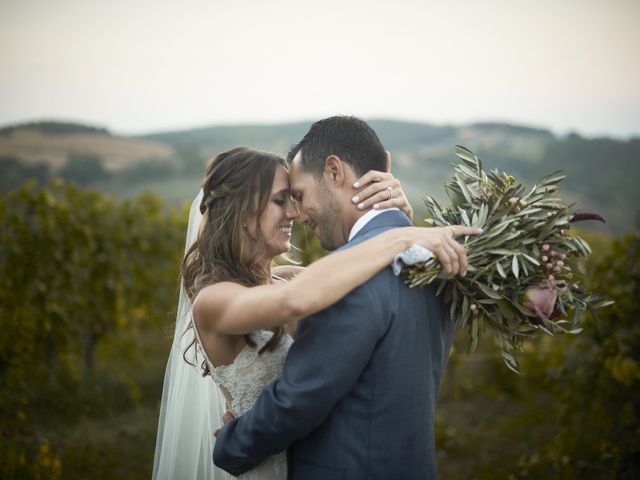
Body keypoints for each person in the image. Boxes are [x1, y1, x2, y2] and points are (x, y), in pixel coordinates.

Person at [213, 116, 480, 479]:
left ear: (334, 172)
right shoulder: (432, 255)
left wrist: (229, 445)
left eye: (300, 195)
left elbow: (297, 402)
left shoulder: (346, 278)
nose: (299, 215)